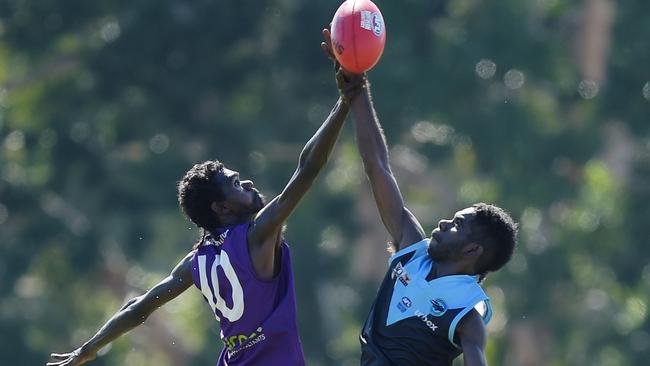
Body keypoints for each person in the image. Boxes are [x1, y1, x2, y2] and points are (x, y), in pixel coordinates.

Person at [46, 66, 365, 365]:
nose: (248, 183)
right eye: (236, 184)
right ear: (221, 208)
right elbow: (308, 167)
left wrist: (87, 350)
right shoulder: (258, 234)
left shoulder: (194, 263)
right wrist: (344, 102)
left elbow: (139, 308)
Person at [320, 30, 518, 366]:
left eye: (457, 224)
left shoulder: (468, 310)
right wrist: (358, 92)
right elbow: (378, 168)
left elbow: (476, 357)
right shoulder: (413, 249)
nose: (444, 222)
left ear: (473, 250)